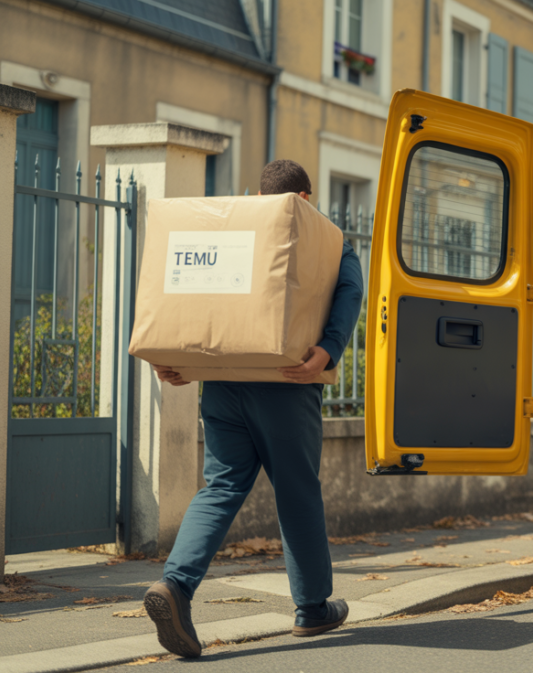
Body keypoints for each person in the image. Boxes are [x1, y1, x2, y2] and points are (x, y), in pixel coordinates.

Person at [142, 159, 364, 658]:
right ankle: (311, 608)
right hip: (286, 384)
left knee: (221, 487)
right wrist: (327, 349)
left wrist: (182, 362)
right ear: (303, 200)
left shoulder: (231, 233)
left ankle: (175, 586)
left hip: (220, 387)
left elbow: (210, 305)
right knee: (297, 492)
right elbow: (351, 291)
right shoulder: (325, 240)